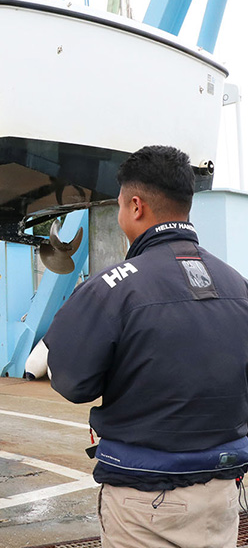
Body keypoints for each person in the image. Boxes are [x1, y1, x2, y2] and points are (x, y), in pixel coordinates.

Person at [44, 145, 248, 548]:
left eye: (120, 206)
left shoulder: (110, 288)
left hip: (144, 503)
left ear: (135, 206)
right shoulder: (237, 285)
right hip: (224, 497)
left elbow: (71, 382)